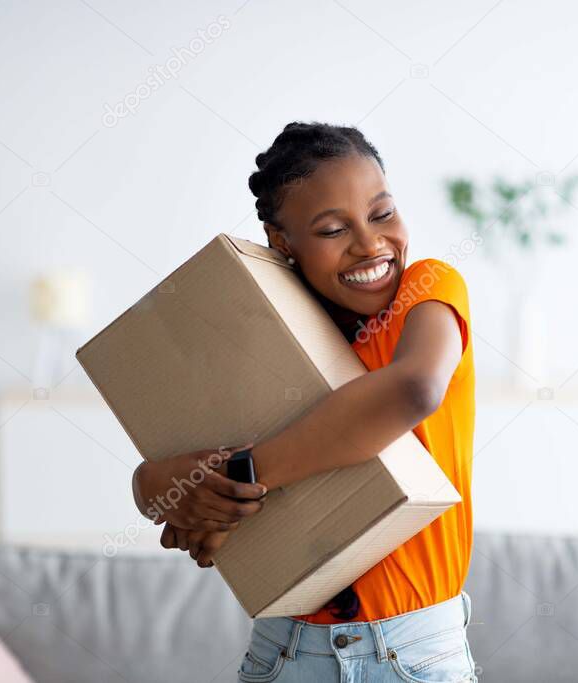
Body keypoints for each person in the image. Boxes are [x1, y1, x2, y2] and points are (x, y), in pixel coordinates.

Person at [131, 121, 477, 682]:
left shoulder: (428, 293)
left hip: (411, 654)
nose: (369, 244)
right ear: (282, 242)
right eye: (332, 229)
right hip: (284, 651)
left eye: (382, 214)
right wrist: (160, 489)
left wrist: (244, 476)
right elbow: (177, 456)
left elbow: (413, 390)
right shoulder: (262, 332)